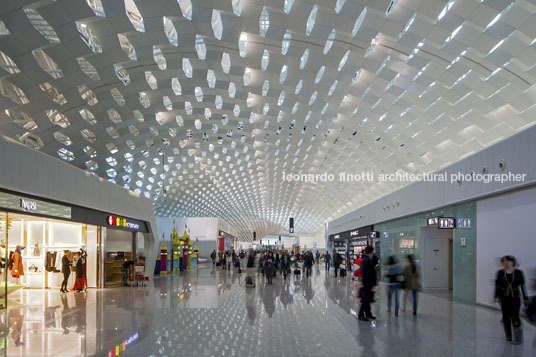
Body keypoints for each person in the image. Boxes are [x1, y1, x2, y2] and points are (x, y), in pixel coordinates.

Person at [494, 255, 529, 343]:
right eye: (504, 261)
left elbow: (523, 286)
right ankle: (508, 336)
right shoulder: (500, 273)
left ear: (513, 262)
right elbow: (497, 286)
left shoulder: (519, 272)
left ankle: (518, 337)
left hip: (515, 297)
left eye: (508, 261)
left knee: (515, 316)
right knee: (505, 317)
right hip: (504, 297)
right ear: (502, 263)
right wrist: (496, 296)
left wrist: (525, 298)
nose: (506, 262)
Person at [358, 246, 377, 321]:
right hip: (367, 282)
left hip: (368, 282)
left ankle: (368, 313)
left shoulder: (368, 259)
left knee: (368, 299)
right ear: (371, 251)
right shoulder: (366, 260)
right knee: (366, 299)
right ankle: (361, 315)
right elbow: (366, 272)